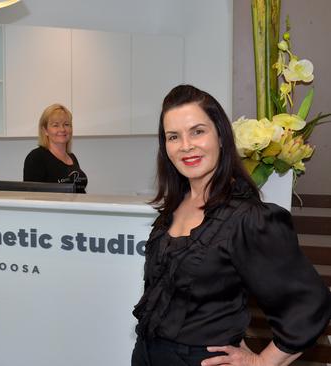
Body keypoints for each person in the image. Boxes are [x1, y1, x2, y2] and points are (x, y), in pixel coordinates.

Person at [131, 84, 331, 366]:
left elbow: (309, 305)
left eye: (197, 131)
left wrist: (261, 362)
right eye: (173, 136)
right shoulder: (174, 207)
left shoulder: (248, 218)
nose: (186, 145)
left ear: (221, 136)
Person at [23, 103, 88, 193]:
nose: (62, 129)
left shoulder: (72, 157)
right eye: (55, 125)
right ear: (45, 130)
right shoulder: (36, 157)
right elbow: (32, 197)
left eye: (66, 124)